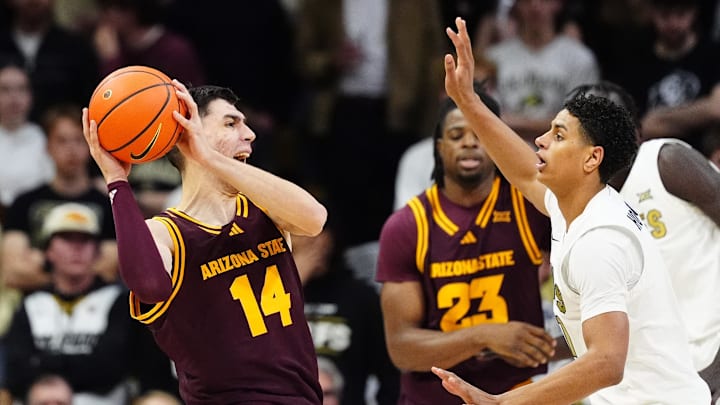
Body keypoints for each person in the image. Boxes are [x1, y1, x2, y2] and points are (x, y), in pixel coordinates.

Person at [434, 17, 711, 404]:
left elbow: (606, 363)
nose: (541, 141)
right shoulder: (576, 203)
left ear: (591, 159)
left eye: (559, 135)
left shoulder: (600, 242)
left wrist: (503, 402)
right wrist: (468, 100)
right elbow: (523, 174)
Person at [82, 82, 327, 404]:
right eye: (231, 123)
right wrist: (117, 182)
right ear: (186, 131)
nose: (250, 134)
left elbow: (314, 219)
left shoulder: (265, 209)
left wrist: (210, 158)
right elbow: (149, 285)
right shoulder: (165, 233)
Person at [375, 82, 556, 404]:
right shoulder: (407, 226)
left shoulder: (531, 208)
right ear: (439, 146)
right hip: (433, 397)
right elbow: (401, 348)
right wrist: (484, 335)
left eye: (481, 135)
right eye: (457, 135)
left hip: (518, 392)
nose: (470, 143)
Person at [566, 81, 720, 401]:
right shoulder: (574, 207)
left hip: (708, 365)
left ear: (636, 133)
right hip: (642, 382)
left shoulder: (666, 162)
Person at [3, 202, 176, 405]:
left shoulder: (121, 301)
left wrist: (45, 367)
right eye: (67, 238)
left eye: (85, 240)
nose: (77, 248)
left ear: (97, 251)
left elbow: (112, 365)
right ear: (48, 251)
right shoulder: (32, 303)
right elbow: (15, 367)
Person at [2, 103, 117, 292]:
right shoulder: (24, 203)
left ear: (90, 145)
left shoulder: (107, 204)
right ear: (47, 147)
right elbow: (13, 273)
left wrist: (40, 263)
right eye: (62, 141)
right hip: (35, 307)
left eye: (78, 140)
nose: (71, 149)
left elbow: (110, 268)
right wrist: (77, 272)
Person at [293, 220, 400, 405]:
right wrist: (292, 279)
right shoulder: (268, 296)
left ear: (330, 238)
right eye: (296, 232)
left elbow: (390, 374)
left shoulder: (360, 297)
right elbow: (255, 351)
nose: (309, 240)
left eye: (316, 231)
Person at [483, 0, 599, 142]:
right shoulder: (493, 58)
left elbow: (580, 122)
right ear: (516, 5)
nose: (535, 5)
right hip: (504, 150)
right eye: (527, 1)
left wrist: (511, 121)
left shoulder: (580, 58)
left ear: (558, 3)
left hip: (561, 154)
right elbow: (486, 116)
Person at [0, 60, 54, 219]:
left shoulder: (44, 138)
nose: (13, 97)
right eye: (5, 89)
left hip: (34, 217)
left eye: (21, 89)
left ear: (31, 96)